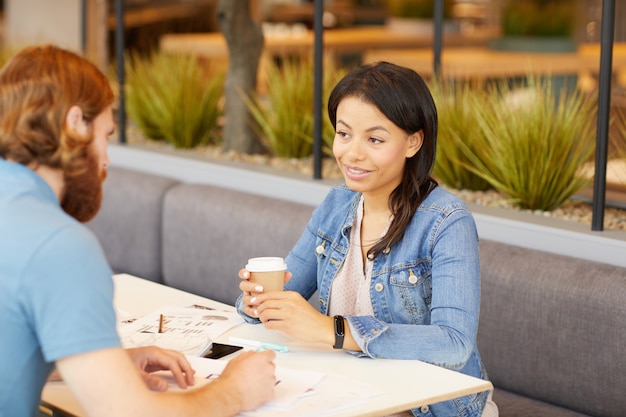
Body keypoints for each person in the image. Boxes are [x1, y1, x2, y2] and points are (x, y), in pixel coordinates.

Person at [0, 44, 276, 417]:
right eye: (106, 135)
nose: (106, 161)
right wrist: (235, 391)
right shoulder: (59, 245)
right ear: (75, 123)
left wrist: (109, 363)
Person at [236, 62, 497, 417]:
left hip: (428, 406)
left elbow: (454, 343)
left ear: (413, 142)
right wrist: (256, 303)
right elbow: (285, 290)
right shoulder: (337, 205)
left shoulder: (447, 222)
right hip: (349, 389)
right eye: (344, 134)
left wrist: (335, 330)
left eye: (374, 139)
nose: (352, 153)